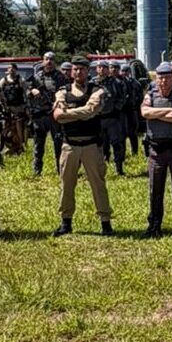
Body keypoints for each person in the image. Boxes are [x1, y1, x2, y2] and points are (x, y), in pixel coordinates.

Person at [53, 57, 114, 237]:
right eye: (75, 69)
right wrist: (78, 113)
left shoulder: (97, 90)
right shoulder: (62, 91)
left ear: (88, 71)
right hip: (69, 145)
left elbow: (90, 111)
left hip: (91, 145)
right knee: (66, 185)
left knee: (98, 185)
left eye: (82, 69)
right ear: (71, 71)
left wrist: (67, 113)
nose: (78, 72)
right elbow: (57, 115)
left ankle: (105, 223)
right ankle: (66, 223)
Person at [139, 62, 172, 238]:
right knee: (155, 190)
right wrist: (168, 110)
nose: (164, 81)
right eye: (161, 78)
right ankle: (154, 226)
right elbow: (145, 113)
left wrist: (157, 113)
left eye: (167, 77)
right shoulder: (150, 94)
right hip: (156, 150)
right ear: (156, 79)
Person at [28, 52, 63, 176]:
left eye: (51, 59)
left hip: (54, 114)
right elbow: (27, 91)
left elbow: (66, 91)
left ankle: (60, 169)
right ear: (43, 61)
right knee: (38, 143)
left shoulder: (60, 76)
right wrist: (32, 90)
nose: (49, 61)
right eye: (47, 59)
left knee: (58, 142)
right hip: (39, 115)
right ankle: (37, 171)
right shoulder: (36, 77)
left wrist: (58, 100)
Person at [97, 61, 127, 174]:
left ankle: (119, 168)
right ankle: (100, 167)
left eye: (104, 67)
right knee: (99, 144)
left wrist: (116, 109)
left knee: (117, 143)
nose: (102, 69)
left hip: (112, 118)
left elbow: (122, 97)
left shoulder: (116, 82)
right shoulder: (92, 82)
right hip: (98, 119)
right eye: (100, 67)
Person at [0, 63, 29, 156]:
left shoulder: (20, 80)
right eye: (9, 68)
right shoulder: (3, 80)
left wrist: (26, 106)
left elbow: (26, 92)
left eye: (13, 68)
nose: (11, 70)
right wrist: (1, 102)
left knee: (19, 129)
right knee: (6, 129)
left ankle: (20, 147)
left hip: (19, 108)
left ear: (16, 69)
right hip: (7, 109)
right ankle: (8, 147)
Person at [120, 63, 143, 156]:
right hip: (122, 111)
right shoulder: (118, 82)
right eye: (123, 71)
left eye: (126, 71)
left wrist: (136, 104)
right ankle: (123, 153)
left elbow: (140, 95)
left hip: (132, 110)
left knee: (133, 133)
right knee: (122, 134)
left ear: (129, 72)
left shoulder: (135, 83)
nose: (124, 73)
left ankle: (135, 152)